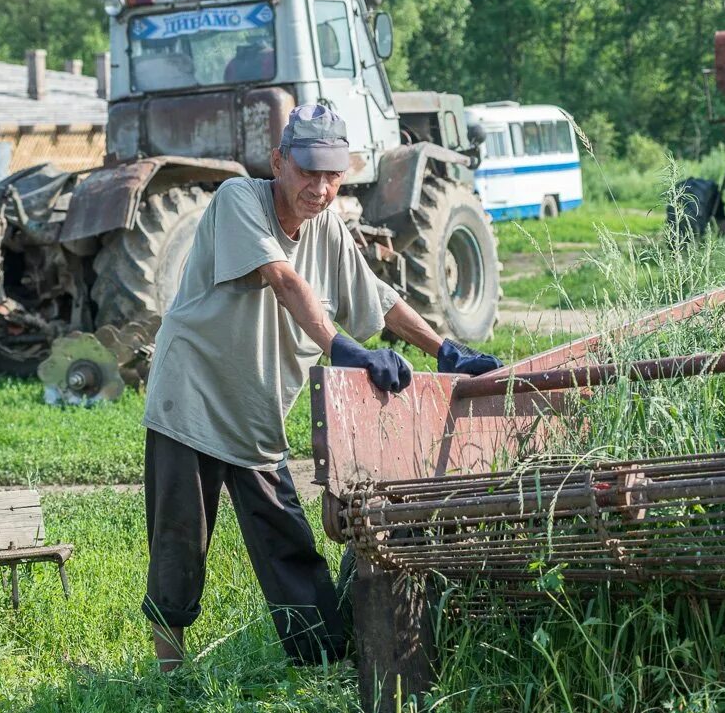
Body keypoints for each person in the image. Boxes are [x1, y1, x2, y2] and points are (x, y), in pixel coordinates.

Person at [140, 104, 504, 670]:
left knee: (289, 544)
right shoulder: (240, 200)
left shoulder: (328, 223)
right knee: (179, 544)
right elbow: (282, 279)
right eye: (309, 172)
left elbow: (377, 298)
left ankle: (322, 665)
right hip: (190, 397)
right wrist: (340, 346)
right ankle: (166, 678)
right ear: (279, 162)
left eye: (332, 175)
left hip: (254, 411)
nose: (320, 187)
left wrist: (446, 350)